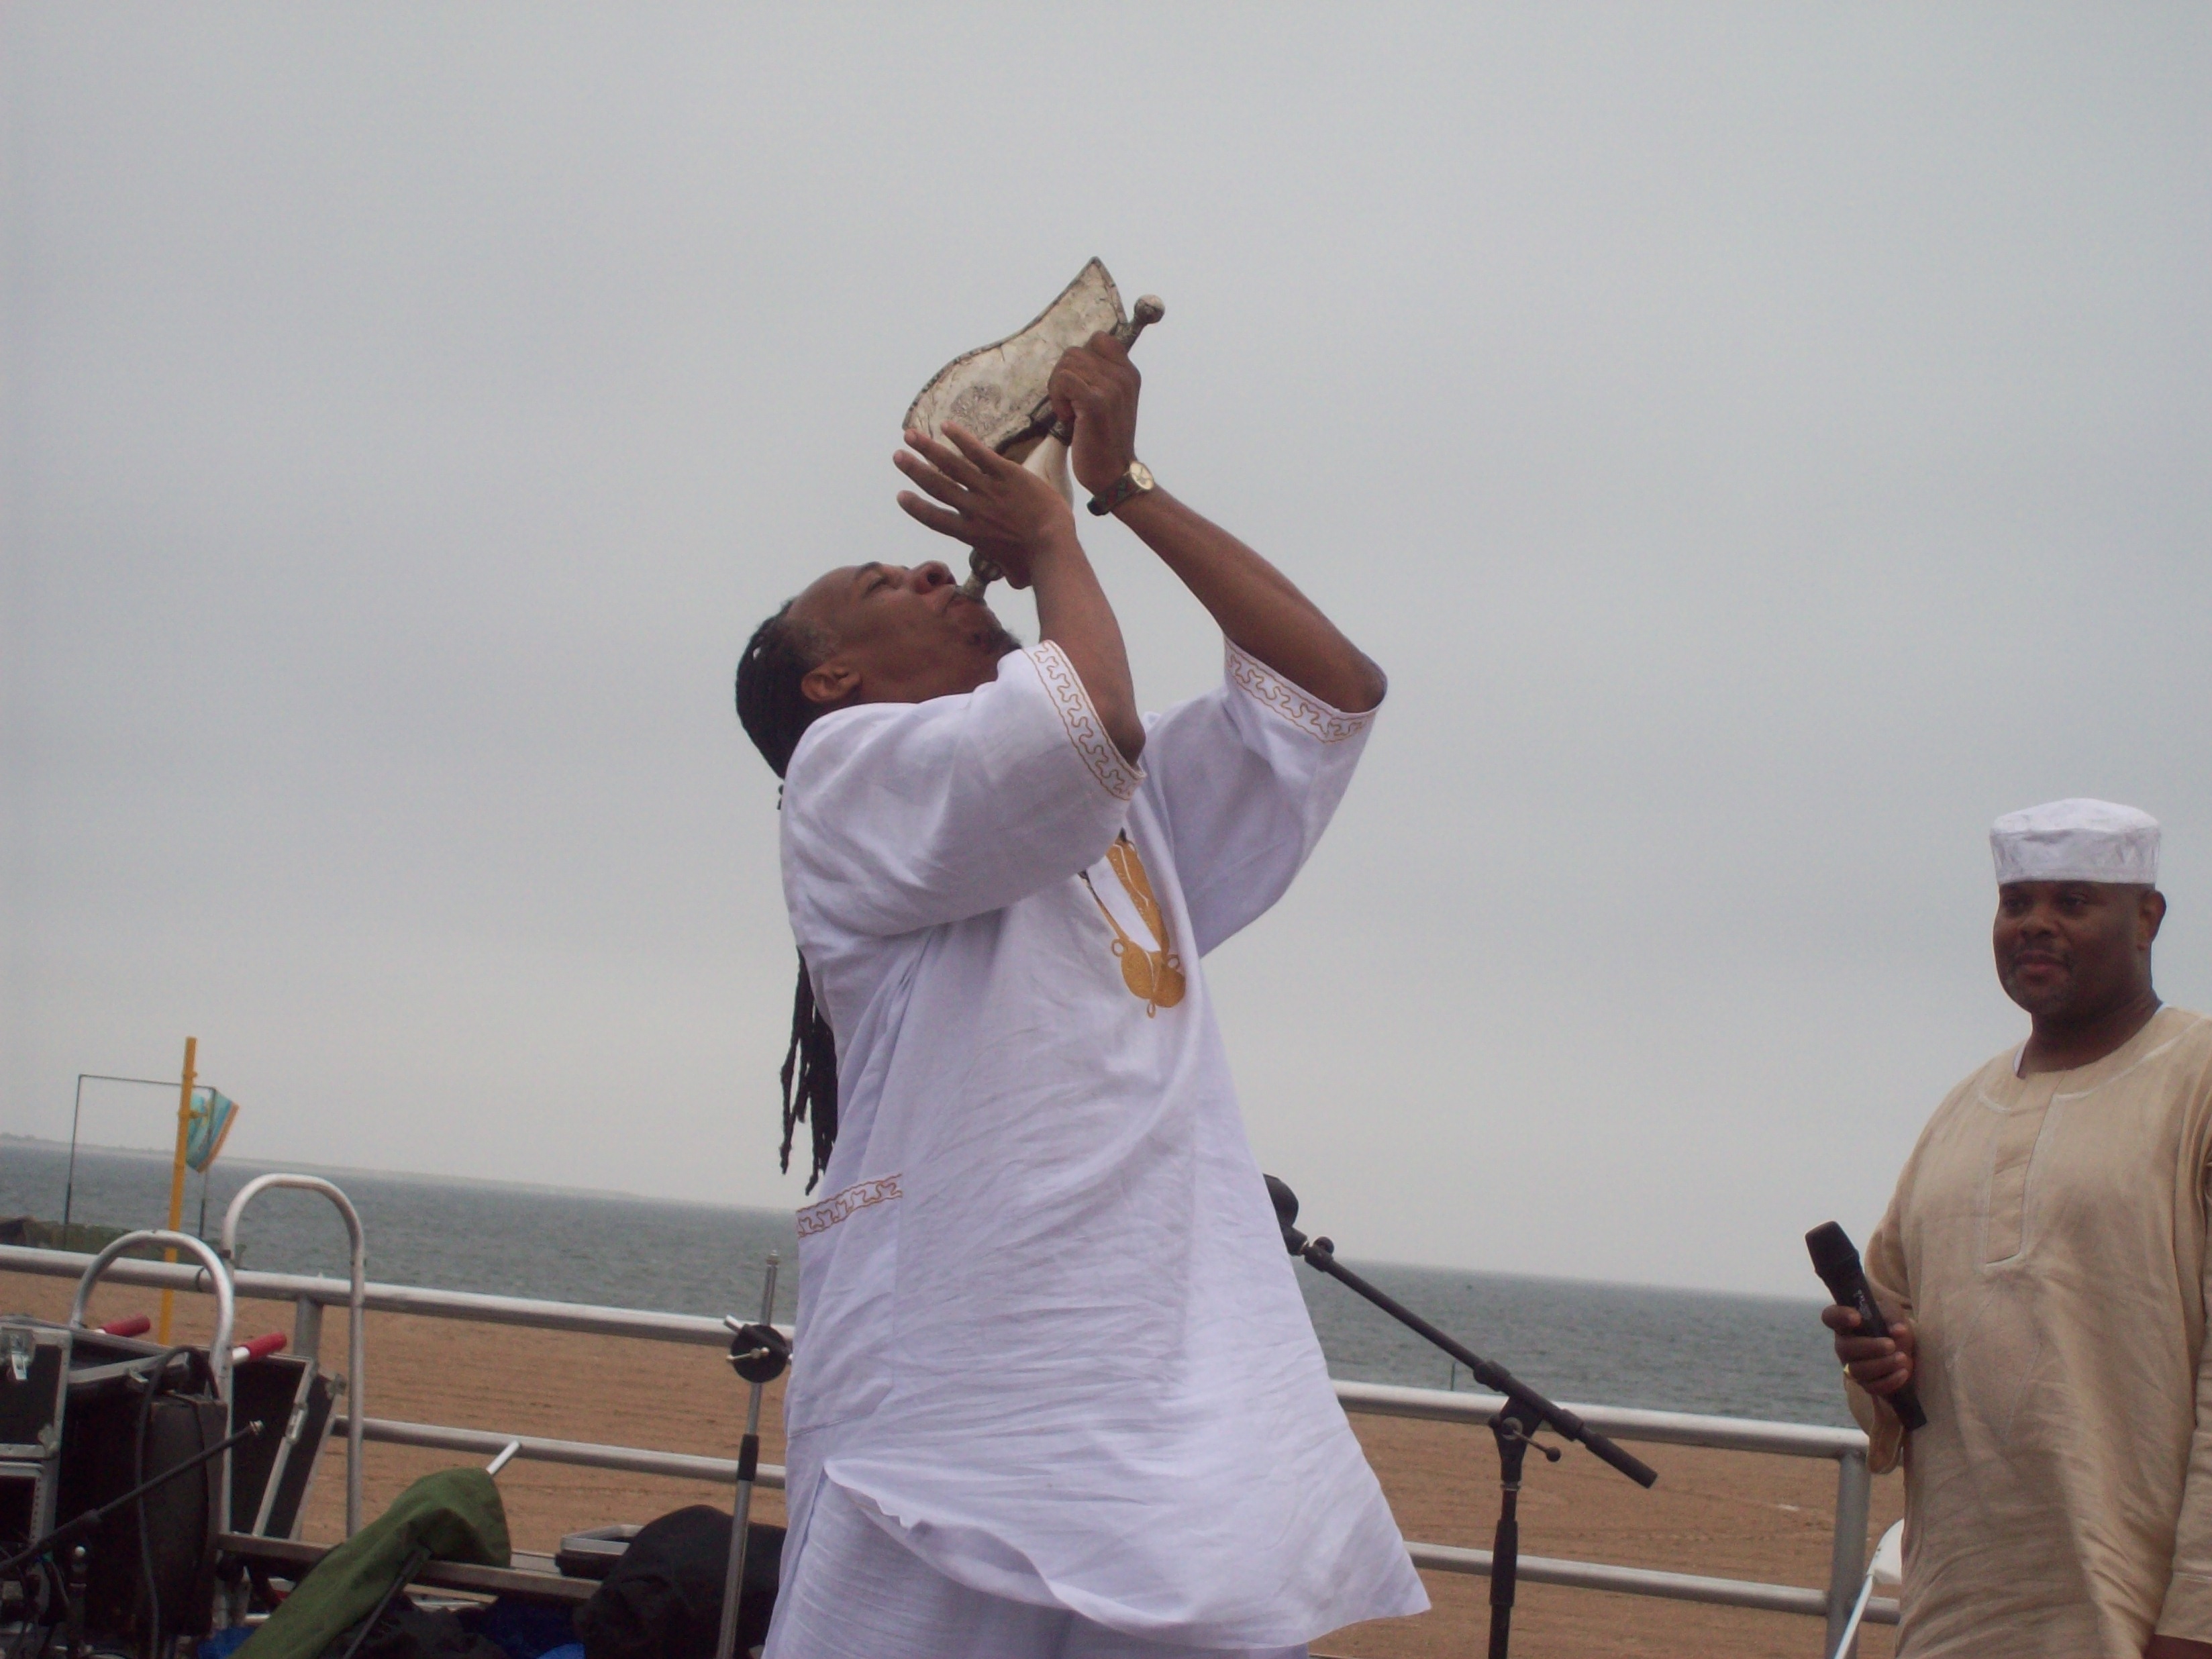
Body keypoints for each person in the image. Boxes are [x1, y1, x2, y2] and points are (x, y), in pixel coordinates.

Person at [732, 332, 1427, 1658]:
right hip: (970, 1373)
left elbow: (1333, 692)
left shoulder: (1122, 807)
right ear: (834, 683)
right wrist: (1050, 542)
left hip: (1153, 1375)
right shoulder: (845, 776)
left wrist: (1124, 487)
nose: (935, 569)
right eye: (888, 578)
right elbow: (1086, 725)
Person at [1825, 799, 2212, 1658]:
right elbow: (1890, 1368)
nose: (2034, 926)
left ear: (2146, 917)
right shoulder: (1962, 1111)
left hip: (2136, 1619)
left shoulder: (2196, 1081)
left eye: (2071, 903)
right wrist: (1880, 1363)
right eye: (2015, 903)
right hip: (1956, 1613)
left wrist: (2194, 1624)